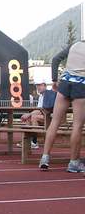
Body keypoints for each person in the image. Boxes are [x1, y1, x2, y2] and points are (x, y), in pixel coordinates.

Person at [39, 41, 85, 172]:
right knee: (77, 125)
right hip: (81, 85)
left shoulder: (75, 45)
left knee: (55, 122)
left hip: (65, 83)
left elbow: (55, 59)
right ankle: (73, 162)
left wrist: (54, 79)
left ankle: (45, 158)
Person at [18, 81, 56, 149]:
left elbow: (44, 110)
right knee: (29, 118)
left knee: (34, 117)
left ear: (45, 85)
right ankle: (28, 141)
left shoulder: (49, 94)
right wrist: (29, 114)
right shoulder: (41, 96)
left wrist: (29, 114)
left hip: (52, 117)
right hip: (45, 115)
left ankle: (34, 142)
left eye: (40, 85)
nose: (38, 87)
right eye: (37, 86)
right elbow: (39, 110)